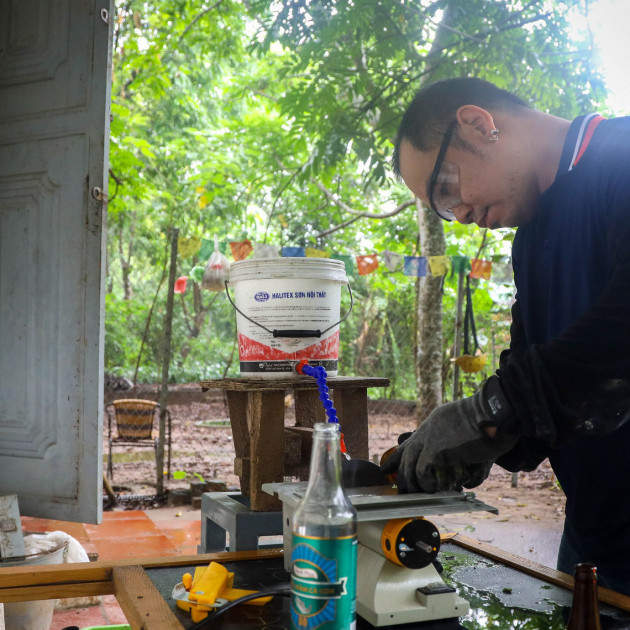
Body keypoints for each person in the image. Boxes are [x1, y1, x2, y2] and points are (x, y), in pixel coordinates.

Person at [382, 77, 630, 595]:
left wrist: (491, 412)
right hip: (595, 535)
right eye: (444, 211)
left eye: (446, 191)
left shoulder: (621, 157)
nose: (462, 217)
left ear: (478, 124)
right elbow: (539, 376)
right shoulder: (531, 240)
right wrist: (486, 441)